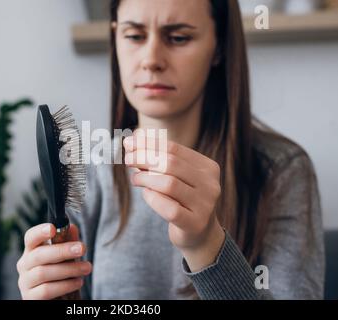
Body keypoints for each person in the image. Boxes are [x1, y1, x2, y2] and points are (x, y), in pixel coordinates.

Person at [16, 0, 325, 300]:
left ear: (218, 47)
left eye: (178, 37)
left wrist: (206, 243)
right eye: (134, 36)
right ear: (115, 37)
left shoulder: (282, 170)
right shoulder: (91, 170)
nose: (151, 59)